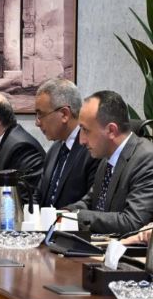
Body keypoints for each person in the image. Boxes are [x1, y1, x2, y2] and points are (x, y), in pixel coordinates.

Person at [66, 91, 153, 234]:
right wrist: (65, 212)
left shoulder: (147, 160)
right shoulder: (107, 157)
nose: (81, 140)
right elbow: (90, 201)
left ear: (111, 130)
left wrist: (76, 216)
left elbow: (132, 222)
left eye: (85, 130)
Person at [32, 78, 98, 208]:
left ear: (64, 114)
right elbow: (38, 196)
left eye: (41, 115)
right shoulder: (54, 149)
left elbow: (92, 202)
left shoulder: (92, 150)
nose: (37, 123)